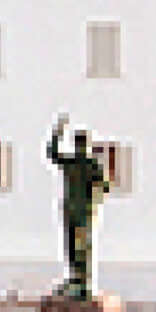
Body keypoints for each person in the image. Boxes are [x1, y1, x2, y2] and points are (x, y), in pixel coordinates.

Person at [45, 118, 109, 302]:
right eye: (77, 143)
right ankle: (74, 280)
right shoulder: (71, 162)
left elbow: (104, 187)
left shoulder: (91, 165)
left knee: (82, 248)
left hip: (83, 212)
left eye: (82, 143)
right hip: (72, 210)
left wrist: (93, 203)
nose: (79, 147)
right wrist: (57, 132)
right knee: (72, 247)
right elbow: (52, 153)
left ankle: (84, 284)